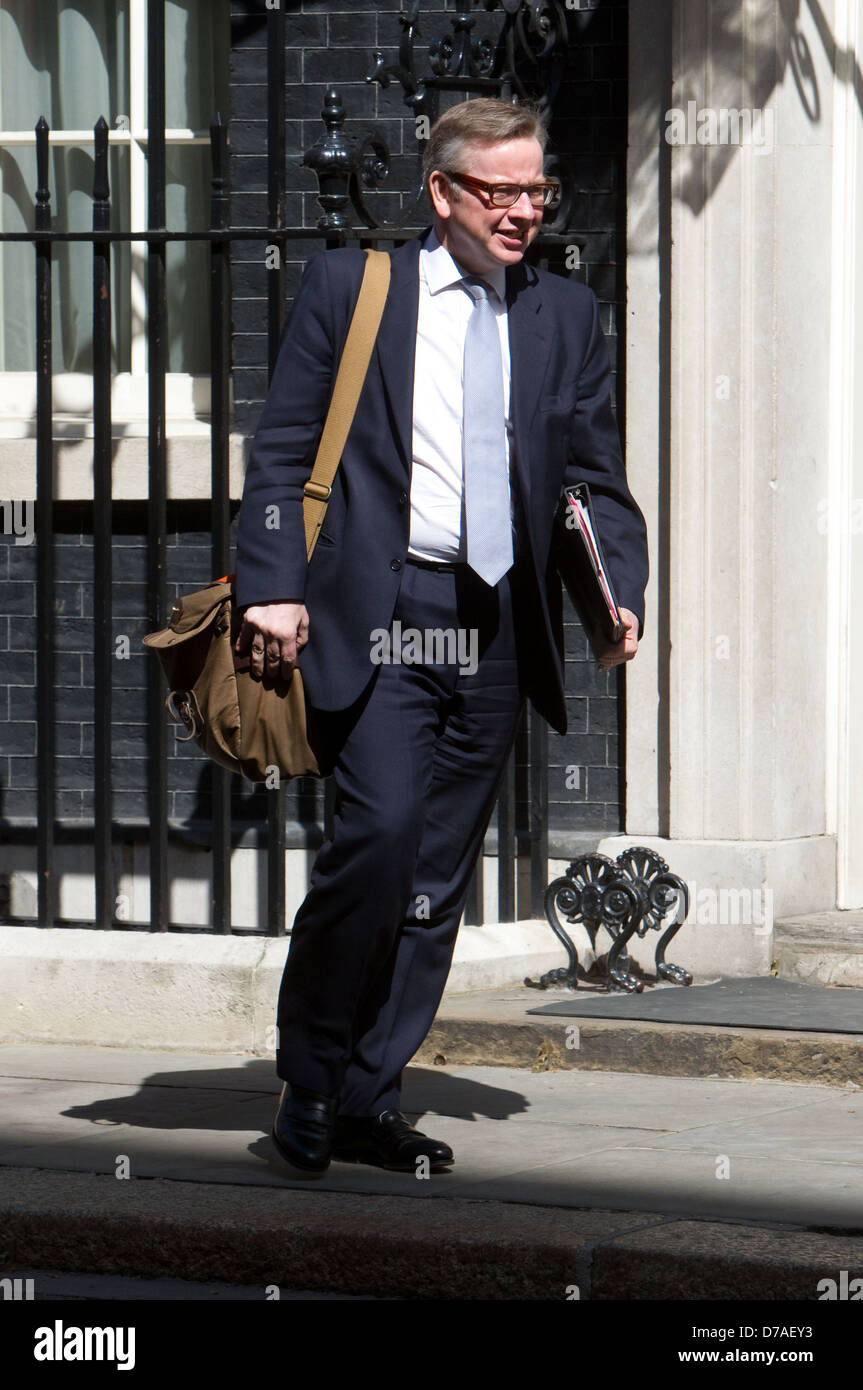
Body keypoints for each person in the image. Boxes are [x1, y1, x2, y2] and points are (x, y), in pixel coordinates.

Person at [233, 98, 648, 1176]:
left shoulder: (564, 312)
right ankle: (311, 1074)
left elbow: (592, 478)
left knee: (435, 878)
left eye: (536, 191)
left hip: (498, 623)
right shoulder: (355, 289)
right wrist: (272, 585)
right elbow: (280, 447)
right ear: (444, 193)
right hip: (388, 615)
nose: (523, 212)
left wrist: (617, 588)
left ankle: (371, 1094)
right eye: (500, 191)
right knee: (376, 843)